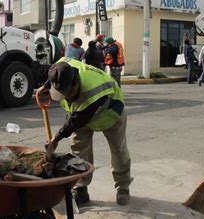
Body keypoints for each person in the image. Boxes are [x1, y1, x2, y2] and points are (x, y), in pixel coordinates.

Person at [37, 58, 132, 206]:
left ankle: (123, 187)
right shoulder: (65, 67)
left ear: (76, 82)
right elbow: (55, 72)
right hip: (80, 114)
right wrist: (46, 86)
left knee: (118, 151)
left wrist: (55, 139)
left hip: (110, 114)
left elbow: (73, 122)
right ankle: (81, 188)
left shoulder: (91, 93)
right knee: (79, 150)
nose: (67, 97)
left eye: (69, 92)